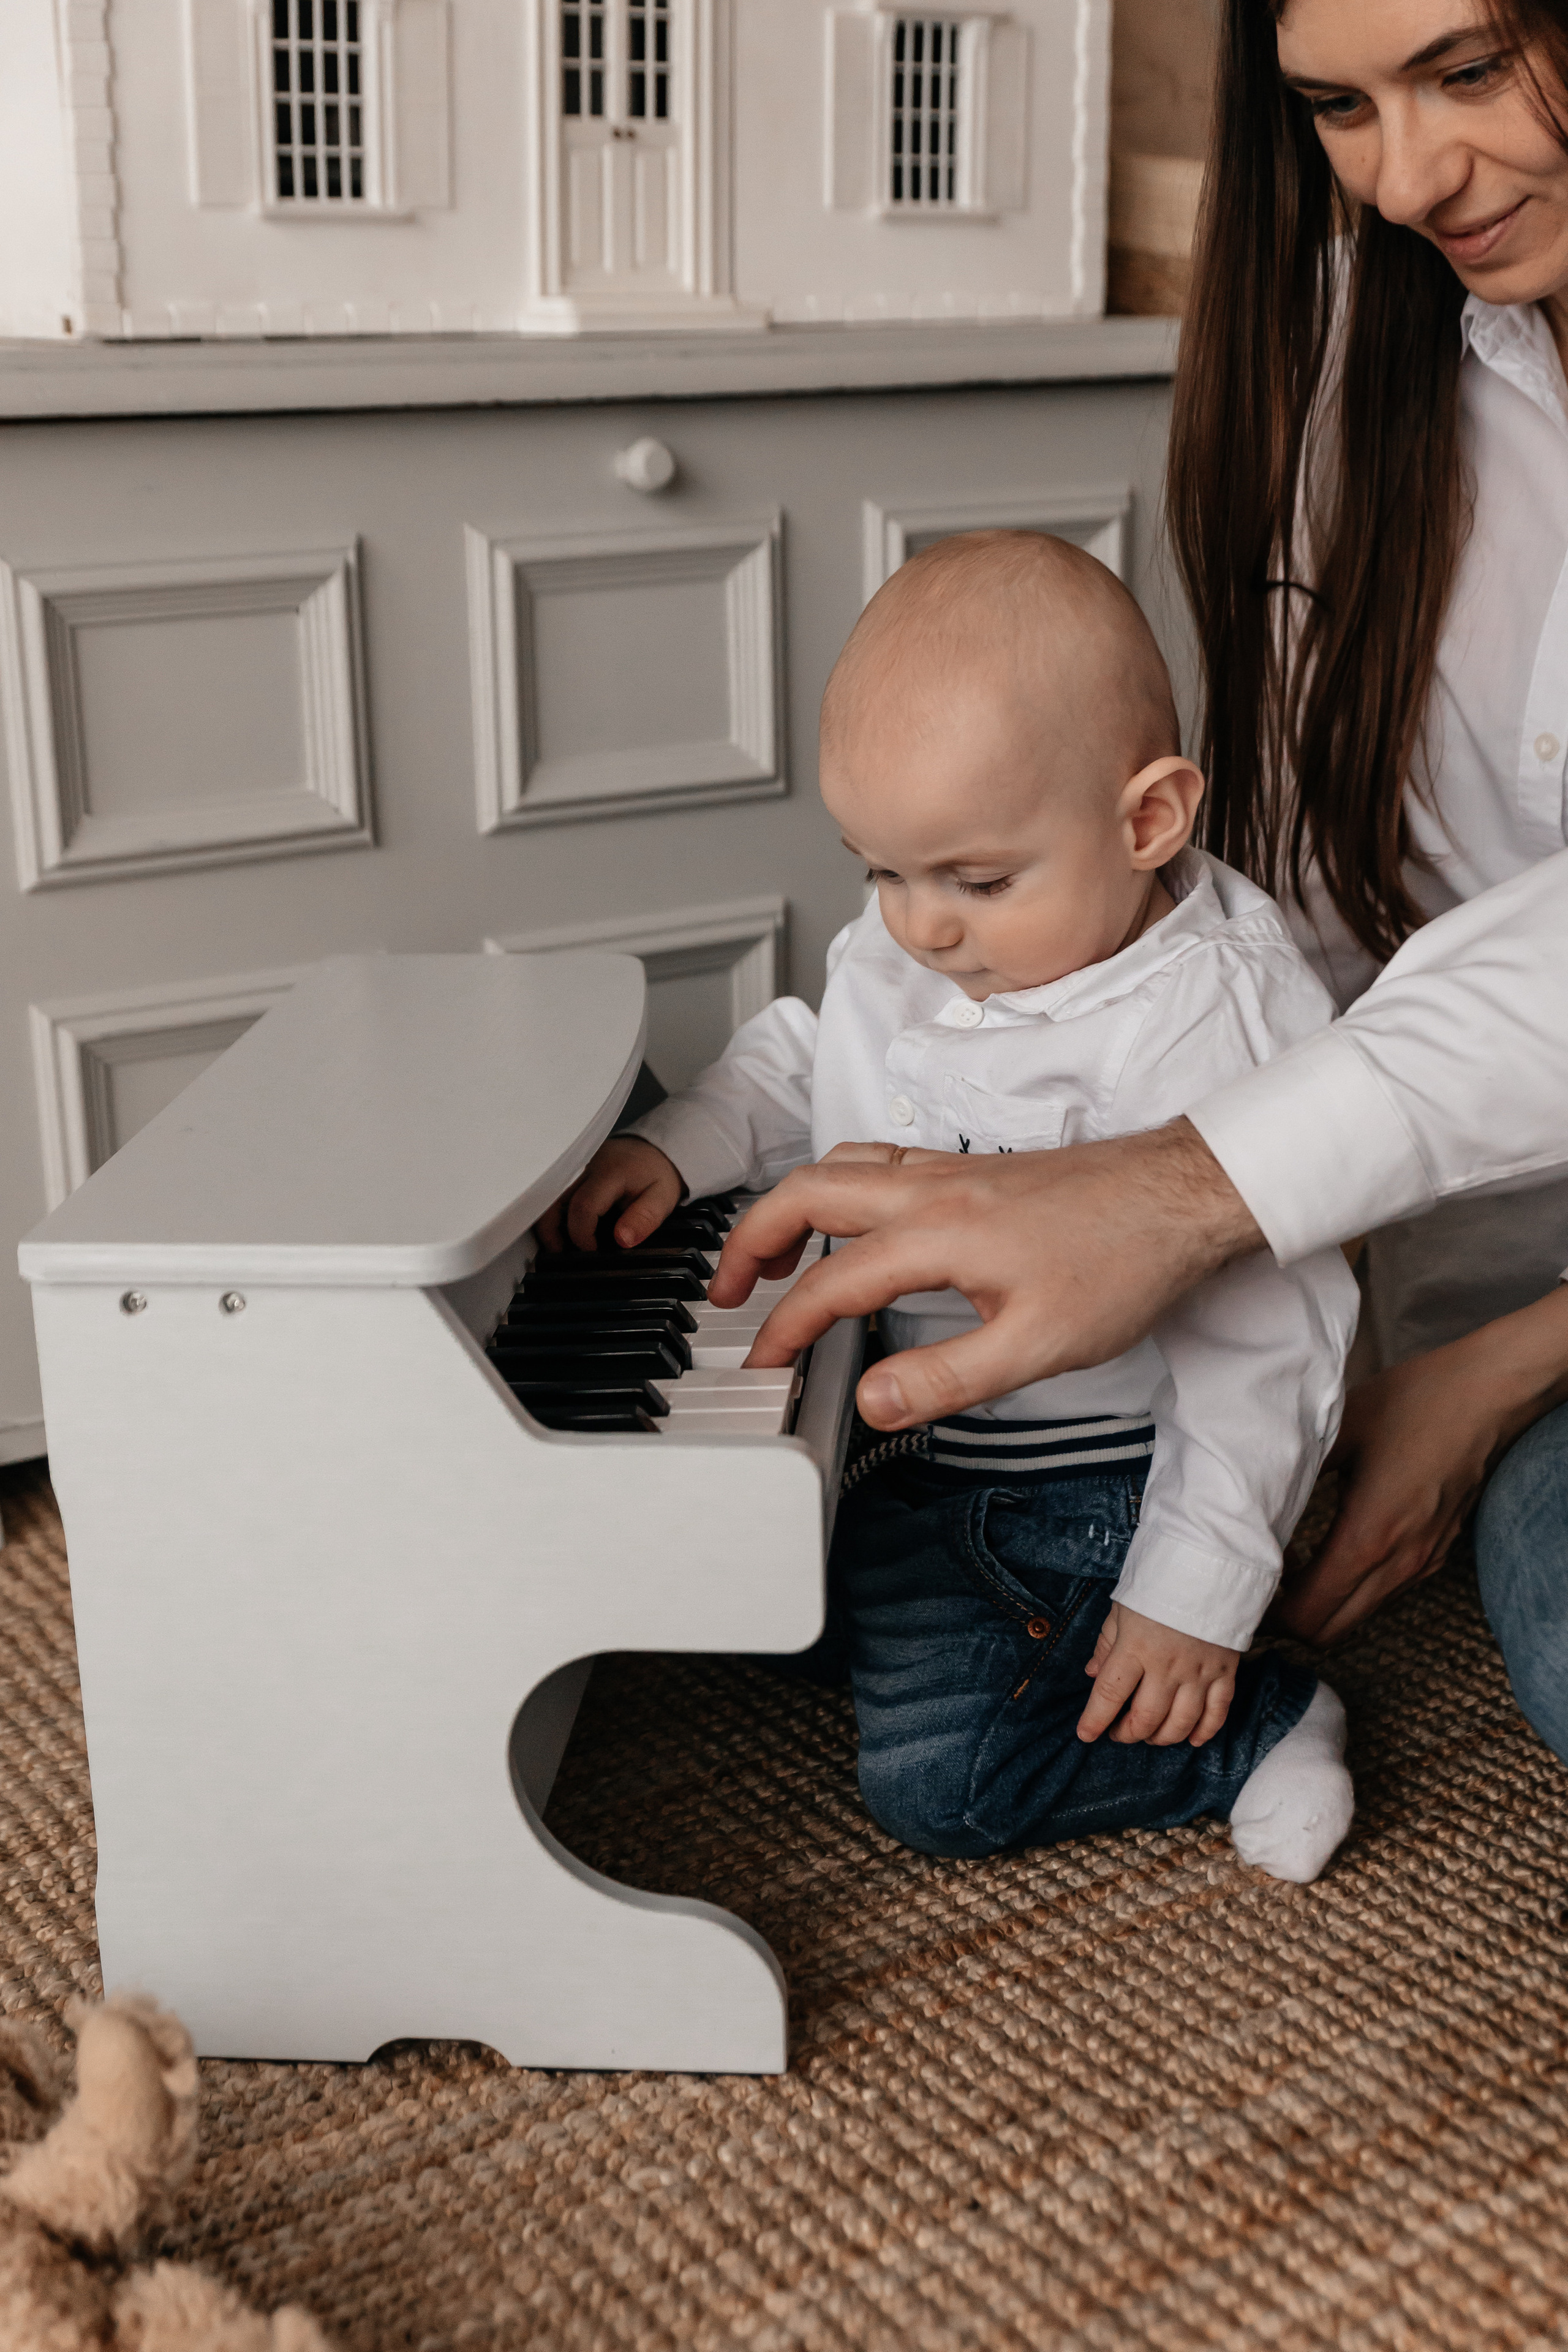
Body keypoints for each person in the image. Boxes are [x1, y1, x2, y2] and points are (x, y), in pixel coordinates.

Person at [709, 0, 1568, 1767]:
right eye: (1338, 105)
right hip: (1463, 1230)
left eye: (1470, 71)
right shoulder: (1363, 361)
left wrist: (1480, 1369)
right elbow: (1335, 885)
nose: (1409, 179)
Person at [549, 531, 1359, 1880]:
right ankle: (899, 1603)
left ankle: (1259, 1723)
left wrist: (1191, 1596)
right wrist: (686, 1143)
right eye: (877, 869)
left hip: (1086, 1494)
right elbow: (813, 1045)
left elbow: (1273, 1344)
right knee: (718, 1591)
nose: (916, 928)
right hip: (906, 1439)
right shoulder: (927, 932)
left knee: (946, 1781)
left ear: (1146, 820)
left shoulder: (1208, 1019)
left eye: (973, 882)